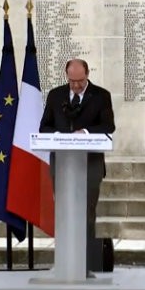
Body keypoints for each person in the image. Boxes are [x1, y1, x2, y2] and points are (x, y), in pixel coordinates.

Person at [39, 58, 115, 275]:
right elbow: (44, 126)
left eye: (80, 81)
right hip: (62, 163)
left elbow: (109, 125)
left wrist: (85, 132)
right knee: (63, 209)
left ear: (87, 75)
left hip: (89, 162)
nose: (76, 86)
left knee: (87, 209)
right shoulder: (56, 95)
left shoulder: (101, 96)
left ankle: (86, 263)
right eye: (72, 81)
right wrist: (57, 136)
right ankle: (64, 262)